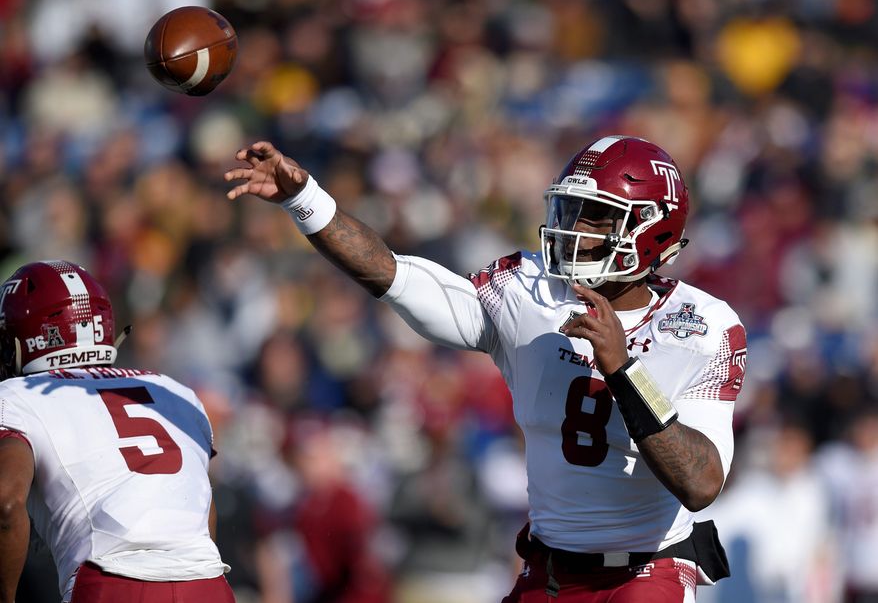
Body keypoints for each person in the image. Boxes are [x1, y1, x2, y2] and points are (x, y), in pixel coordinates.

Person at [224, 135, 748, 601]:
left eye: (594, 215)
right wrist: (305, 199)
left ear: (650, 231)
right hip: (549, 570)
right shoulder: (529, 290)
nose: (571, 229)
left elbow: (700, 482)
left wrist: (625, 370)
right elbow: (395, 275)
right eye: (570, 210)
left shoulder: (704, 327)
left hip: (645, 575)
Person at [0, 260, 234, 603]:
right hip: (208, 584)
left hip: (111, 583)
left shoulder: (16, 396)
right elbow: (202, 510)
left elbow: (6, 502)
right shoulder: (177, 392)